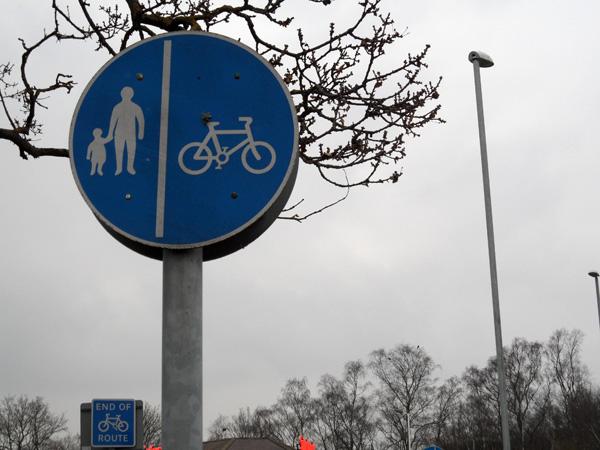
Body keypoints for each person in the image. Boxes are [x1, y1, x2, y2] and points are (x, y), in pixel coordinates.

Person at [107, 86, 145, 175]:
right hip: (119, 133)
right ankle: (119, 168)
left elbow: (141, 120)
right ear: (121, 94)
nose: (126, 95)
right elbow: (113, 120)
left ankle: (130, 167)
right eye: (125, 93)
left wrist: (141, 133)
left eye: (128, 94)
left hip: (131, 133)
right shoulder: (117, 107)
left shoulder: (135, 107)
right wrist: (110, 133)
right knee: (119, 150)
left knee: (131, 150)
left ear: (131, 95)